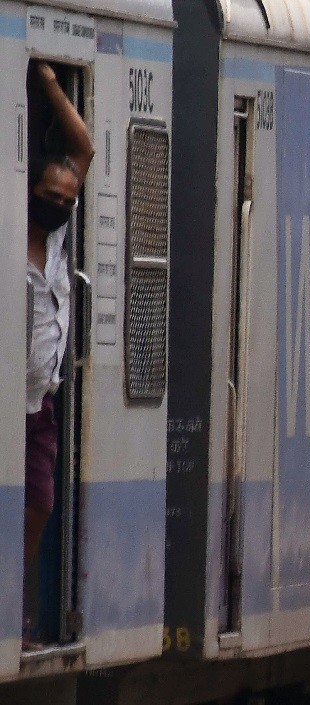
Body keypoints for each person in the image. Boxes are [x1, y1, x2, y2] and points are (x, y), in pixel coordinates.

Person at [25, 61, 94, 650]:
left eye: (68, 199)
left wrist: (51, 83)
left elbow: (84, 146)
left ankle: (15, 610)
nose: (60, 204)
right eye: (51, 196)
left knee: (40, 506)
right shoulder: (13, 238)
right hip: (10, 402)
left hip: (41, 404)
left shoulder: (56, 239)